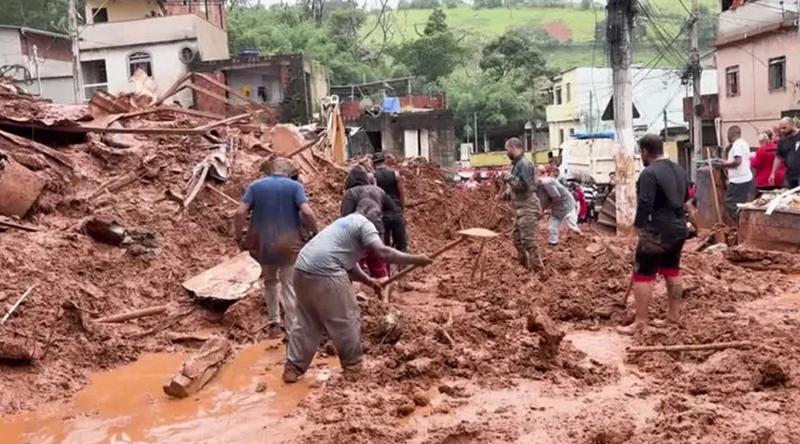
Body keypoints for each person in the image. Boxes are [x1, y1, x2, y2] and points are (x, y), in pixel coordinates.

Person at [283, 199, 432, 382]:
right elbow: (383, 252)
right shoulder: (364, 224)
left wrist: (369, 281)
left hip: (301, 270)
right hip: (326, 272)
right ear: (371, 213)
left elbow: (350, 264)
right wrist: (416, 260)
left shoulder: (343, 223)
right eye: (378, 216)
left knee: (308, 321)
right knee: (346, 318)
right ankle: (352, 367)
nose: (379, 221)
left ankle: (293, 368)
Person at [234, 157, 319, 338]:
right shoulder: (295, 187)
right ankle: (292, 331)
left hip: (262, 243)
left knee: (270, 281)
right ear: (288, 172)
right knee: (288, 284)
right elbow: (306, 212)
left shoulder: (255, 186)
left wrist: (239, 236)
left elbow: (240, 212)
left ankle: (273, 323)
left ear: (269, 171)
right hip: (289, 244)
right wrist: (315, 231)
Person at [617, 135, 689, 335]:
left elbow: (645, 203)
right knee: (672, 270)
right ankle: (673, 318)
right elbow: (685, 198)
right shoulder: (680, 170)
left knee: (643, 274)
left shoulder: (649, 173)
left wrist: (636, 230)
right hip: (679, 227)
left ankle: (641, 322)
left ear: (645, 152)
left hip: (657, 230)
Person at [341, 166, 401, 278]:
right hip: (376, 232)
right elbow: (392, 207)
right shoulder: (378, 190)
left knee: (356, 267)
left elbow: (345, 217)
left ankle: (358, 293)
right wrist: (378, 216)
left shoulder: (350, 193)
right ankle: (384, 293)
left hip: (357, 234)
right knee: (379, 266)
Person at [501, 137, 543, 272]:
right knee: (517, 239)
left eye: (507, 149)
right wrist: (506, 195)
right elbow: (516, 188)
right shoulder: (516, 164)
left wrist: (510, 178)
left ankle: (538, 272)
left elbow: (525, 186)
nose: (506, 152)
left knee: (528, 242)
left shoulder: (524, 164)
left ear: (513, 148)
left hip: (527, 207)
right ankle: (524, 269)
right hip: (520, 208)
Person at [372, 152, 408, 252]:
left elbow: (374, 196)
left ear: (374, 163)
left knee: (384, 246)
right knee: (401, 245)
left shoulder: (373, 176)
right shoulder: (395, 174)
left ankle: (386, 267)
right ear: (384, 161)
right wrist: (402, 210)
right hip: (396, 211)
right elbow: (401, 194)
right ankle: (403, 267)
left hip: (382, 214)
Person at [536, 166, 581, 245]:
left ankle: (582, 241)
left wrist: (546, 209)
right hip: (558, 208)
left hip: (567, 206)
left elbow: (556, 196)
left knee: (572, 227)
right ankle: (553, 242)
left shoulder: (546, 181)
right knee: (553, 227)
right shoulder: (543, 183)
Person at [719, 126, 753, 220]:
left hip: (738, 180)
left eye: (728, 135)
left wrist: (725, 164)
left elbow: (738, 162)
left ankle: (741, 224)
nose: (727, 137)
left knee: (731, 204)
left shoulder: (737, 145)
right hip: (745, 177)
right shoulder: (744, 143)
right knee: (741, 204)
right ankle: (743, 224)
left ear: (731, 134)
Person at [751, 130, 784, 195]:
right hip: (779, 178)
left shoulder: (761, 150)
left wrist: (751, 160)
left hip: (764, 180)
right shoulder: (779, 147)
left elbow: (756, 164)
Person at [770, 117, 800, 189]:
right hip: (789, 175)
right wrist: (773, 173)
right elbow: (778, 157)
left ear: (792, 125)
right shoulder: (782, 141)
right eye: (780, 128)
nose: (782, 131)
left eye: (784, 128)